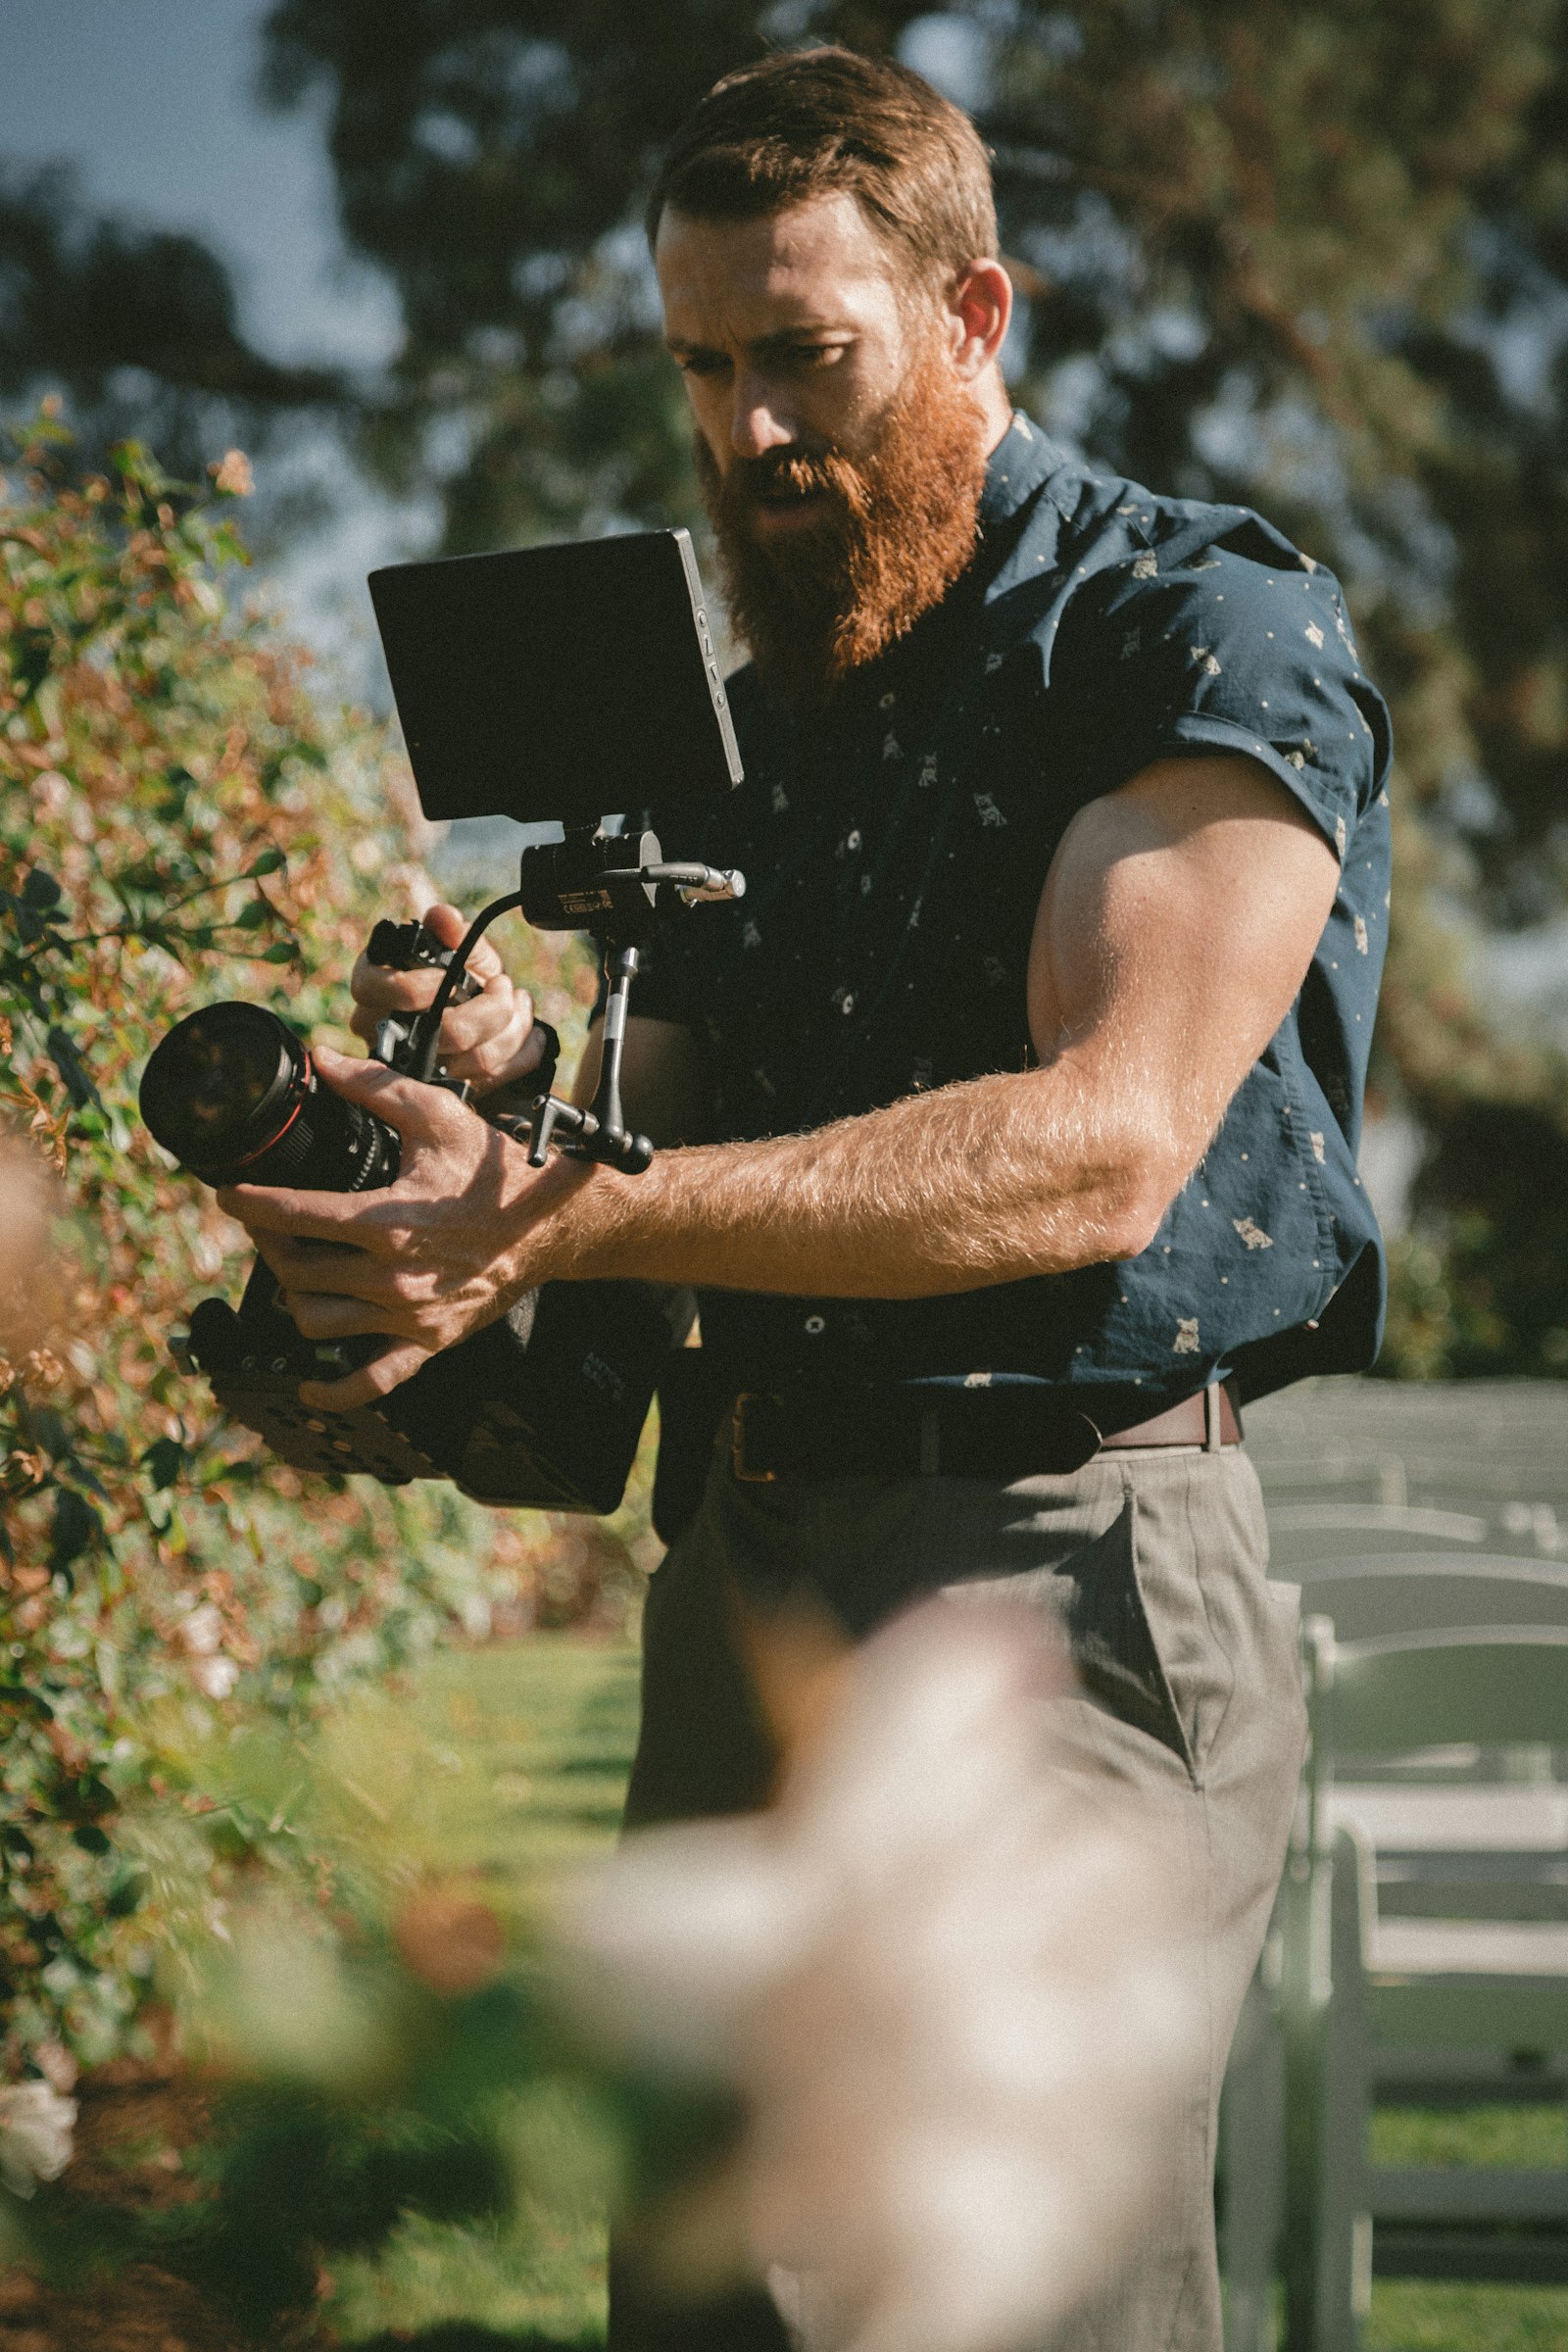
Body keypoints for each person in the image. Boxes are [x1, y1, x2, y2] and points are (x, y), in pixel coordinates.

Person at [223, 45, 1392, 2352]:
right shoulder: (775, 696)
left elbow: (1101, 1135)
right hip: (738, 1558)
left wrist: (557, 1211)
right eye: (697, 367)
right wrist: (502, 1099)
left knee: (976, 2295)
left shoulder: (1190, 627)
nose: (745, 431)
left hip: (1050, 1572)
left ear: (975, 319)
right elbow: (685, 1133)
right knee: (707, 2290)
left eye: (801, 357)